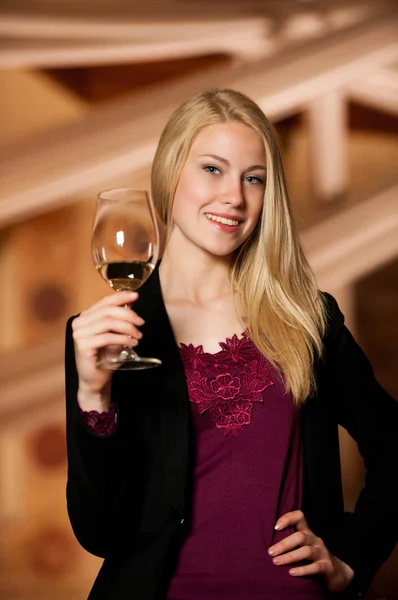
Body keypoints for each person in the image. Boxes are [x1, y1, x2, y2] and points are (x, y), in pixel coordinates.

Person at [65, 89, 398, 600]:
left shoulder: (306, 317)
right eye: (212, 169)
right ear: (171, 173)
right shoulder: (106, 335)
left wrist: (350, 559)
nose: (235, 198)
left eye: (253, 178)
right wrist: (93, 395)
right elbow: (100, 532)